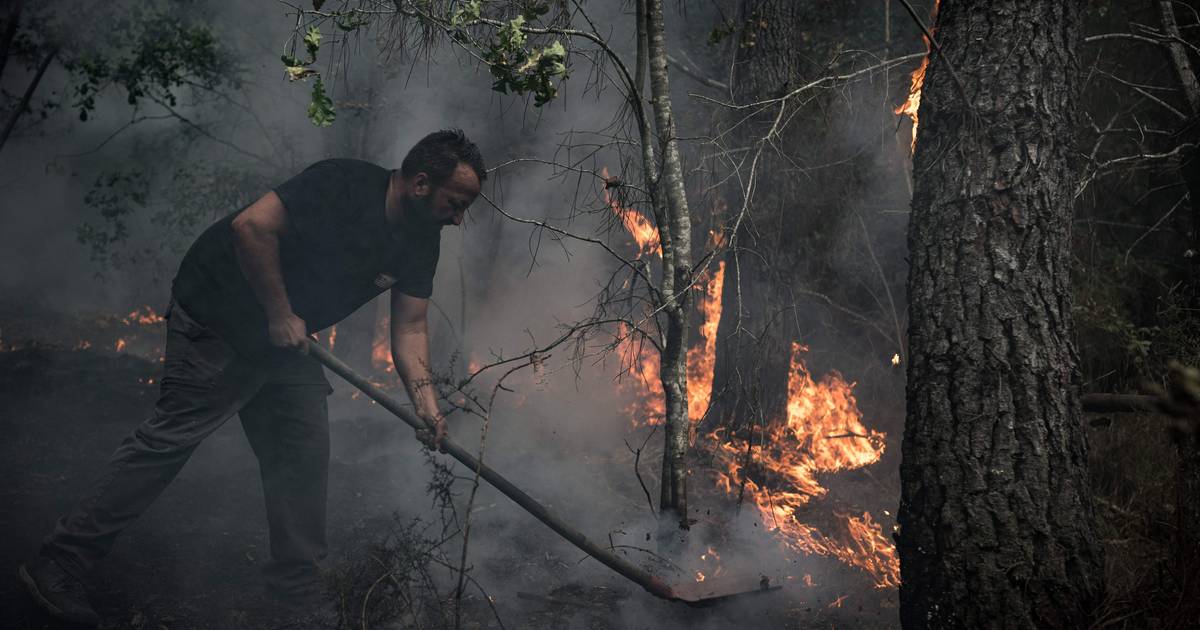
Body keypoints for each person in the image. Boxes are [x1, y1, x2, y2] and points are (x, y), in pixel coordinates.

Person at [18, 129, 486, 625]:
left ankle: (295, 590)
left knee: (302, 451)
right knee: (169, 440)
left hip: (287, 343)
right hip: (218, 313)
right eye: (455, 204)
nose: (458, 219)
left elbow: (411, 328)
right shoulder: (340, 185)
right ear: (419, 184)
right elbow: (251, 227)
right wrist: (280, 312)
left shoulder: (420, 241)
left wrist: (427, 404)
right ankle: (58, 563)